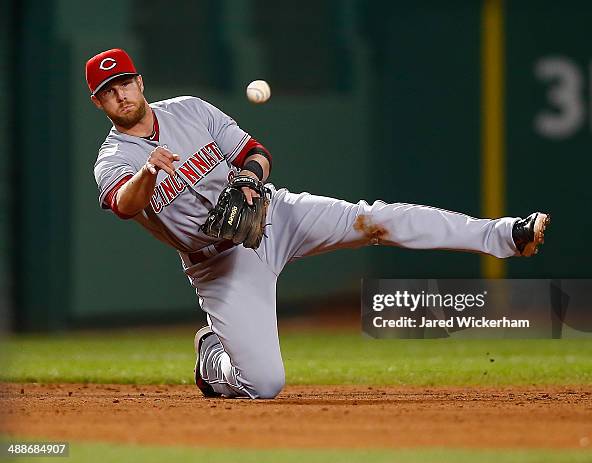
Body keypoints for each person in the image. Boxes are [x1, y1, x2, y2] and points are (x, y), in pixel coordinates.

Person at [87, 48, 550, 399]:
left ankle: (504, 234)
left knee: (375, 220)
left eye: (124, 82)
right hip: (219, 263)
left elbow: (255, 153)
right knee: (264, 385)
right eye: (108, 91)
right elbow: (126, 204)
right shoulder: (114, 158)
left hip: (274, 214)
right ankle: (213, 358)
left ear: (140, 80)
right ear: (98, 103)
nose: (120, 94)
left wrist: (249, 179)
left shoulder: (190, 109)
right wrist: (148, 171)